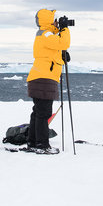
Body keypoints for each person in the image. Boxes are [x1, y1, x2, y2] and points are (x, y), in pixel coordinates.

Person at [25, 9, 71, 154]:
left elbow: (54, 51)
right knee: (43, 113)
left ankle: (33, 142)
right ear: (49, 20)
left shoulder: (46, 35)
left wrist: (62, 56)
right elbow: (64, 43)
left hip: (41, 77)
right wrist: (64, 29)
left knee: (38, 112)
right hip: (43, 78)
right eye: (56, 20)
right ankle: (42, 145)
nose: (57, 22)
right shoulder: (45, 34)